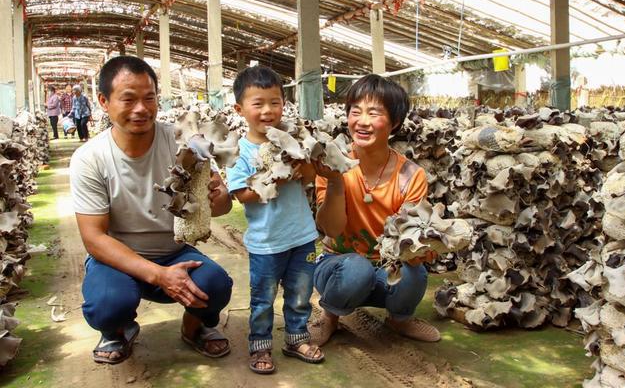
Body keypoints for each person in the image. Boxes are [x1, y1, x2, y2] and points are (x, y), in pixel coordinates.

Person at [69, 56, 234, 365]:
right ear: (104, 102)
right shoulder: (90, 158)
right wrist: (159, 275)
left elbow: (220, 208)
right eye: (128, 99)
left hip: (174, 253)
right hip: (118, 260)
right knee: (107, 303)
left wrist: (221, 196)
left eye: (149, 98)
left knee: (216, 285)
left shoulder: (183, 143)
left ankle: (195, 326)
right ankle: (117, 329)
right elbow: (94, 238)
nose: (141, 108)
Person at [311, 74, 441, 346]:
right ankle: (330, 316)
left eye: (374, 113)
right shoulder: (331, 163)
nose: (363, 121)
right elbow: (331, 229)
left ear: (394, 123)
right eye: (355, 111)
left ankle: (399, 319)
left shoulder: (410, 176)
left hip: (386, 270)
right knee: (357, 269)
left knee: (414, 273)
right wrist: (335, 181)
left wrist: (419, 250)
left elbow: (410, 233)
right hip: (339, 268)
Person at [226, 65, 324, 374]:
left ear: (285, 103)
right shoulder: (239, 151)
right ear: (240, 109)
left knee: (300, 294)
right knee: (263, 298)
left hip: (302, 235)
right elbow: (241, 194)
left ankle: (296, 338)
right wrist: (275, 180)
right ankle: (260, 345)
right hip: (266, 242)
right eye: (258, 103)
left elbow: (310, 176)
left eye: (275, 102)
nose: (268, 110)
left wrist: (301, 161)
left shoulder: (291, 139)